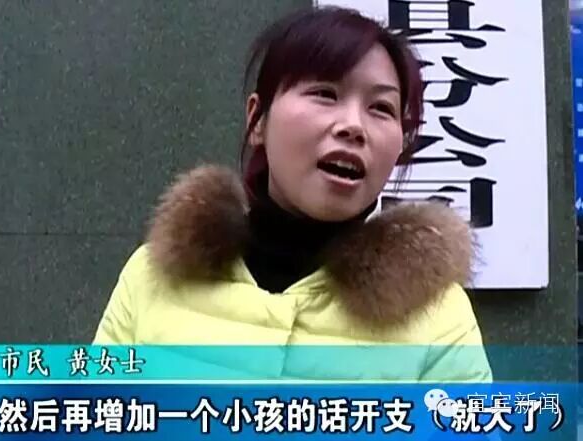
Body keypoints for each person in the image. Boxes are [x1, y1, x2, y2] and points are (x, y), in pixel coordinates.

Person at [93, 5, 492, 382]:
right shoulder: (153, 275)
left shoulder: (439, 317)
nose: (354, 126)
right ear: (257, 120)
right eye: (325, 94)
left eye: (381, 108)